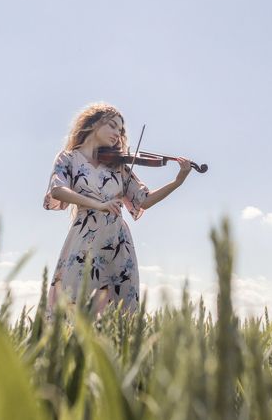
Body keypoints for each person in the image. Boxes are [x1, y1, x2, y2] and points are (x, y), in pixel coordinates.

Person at [43, 102, 192, 320]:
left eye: (120, 130)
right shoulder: (68, 158)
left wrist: (178, 181)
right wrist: (98, 205)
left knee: (119, 311)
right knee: (73, 301)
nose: (117, 133)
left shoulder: (118, 166)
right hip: (84, 237)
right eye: (112, 126)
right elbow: (57, 190)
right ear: (93, 124)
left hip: (117, 242)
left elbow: (144, 200)